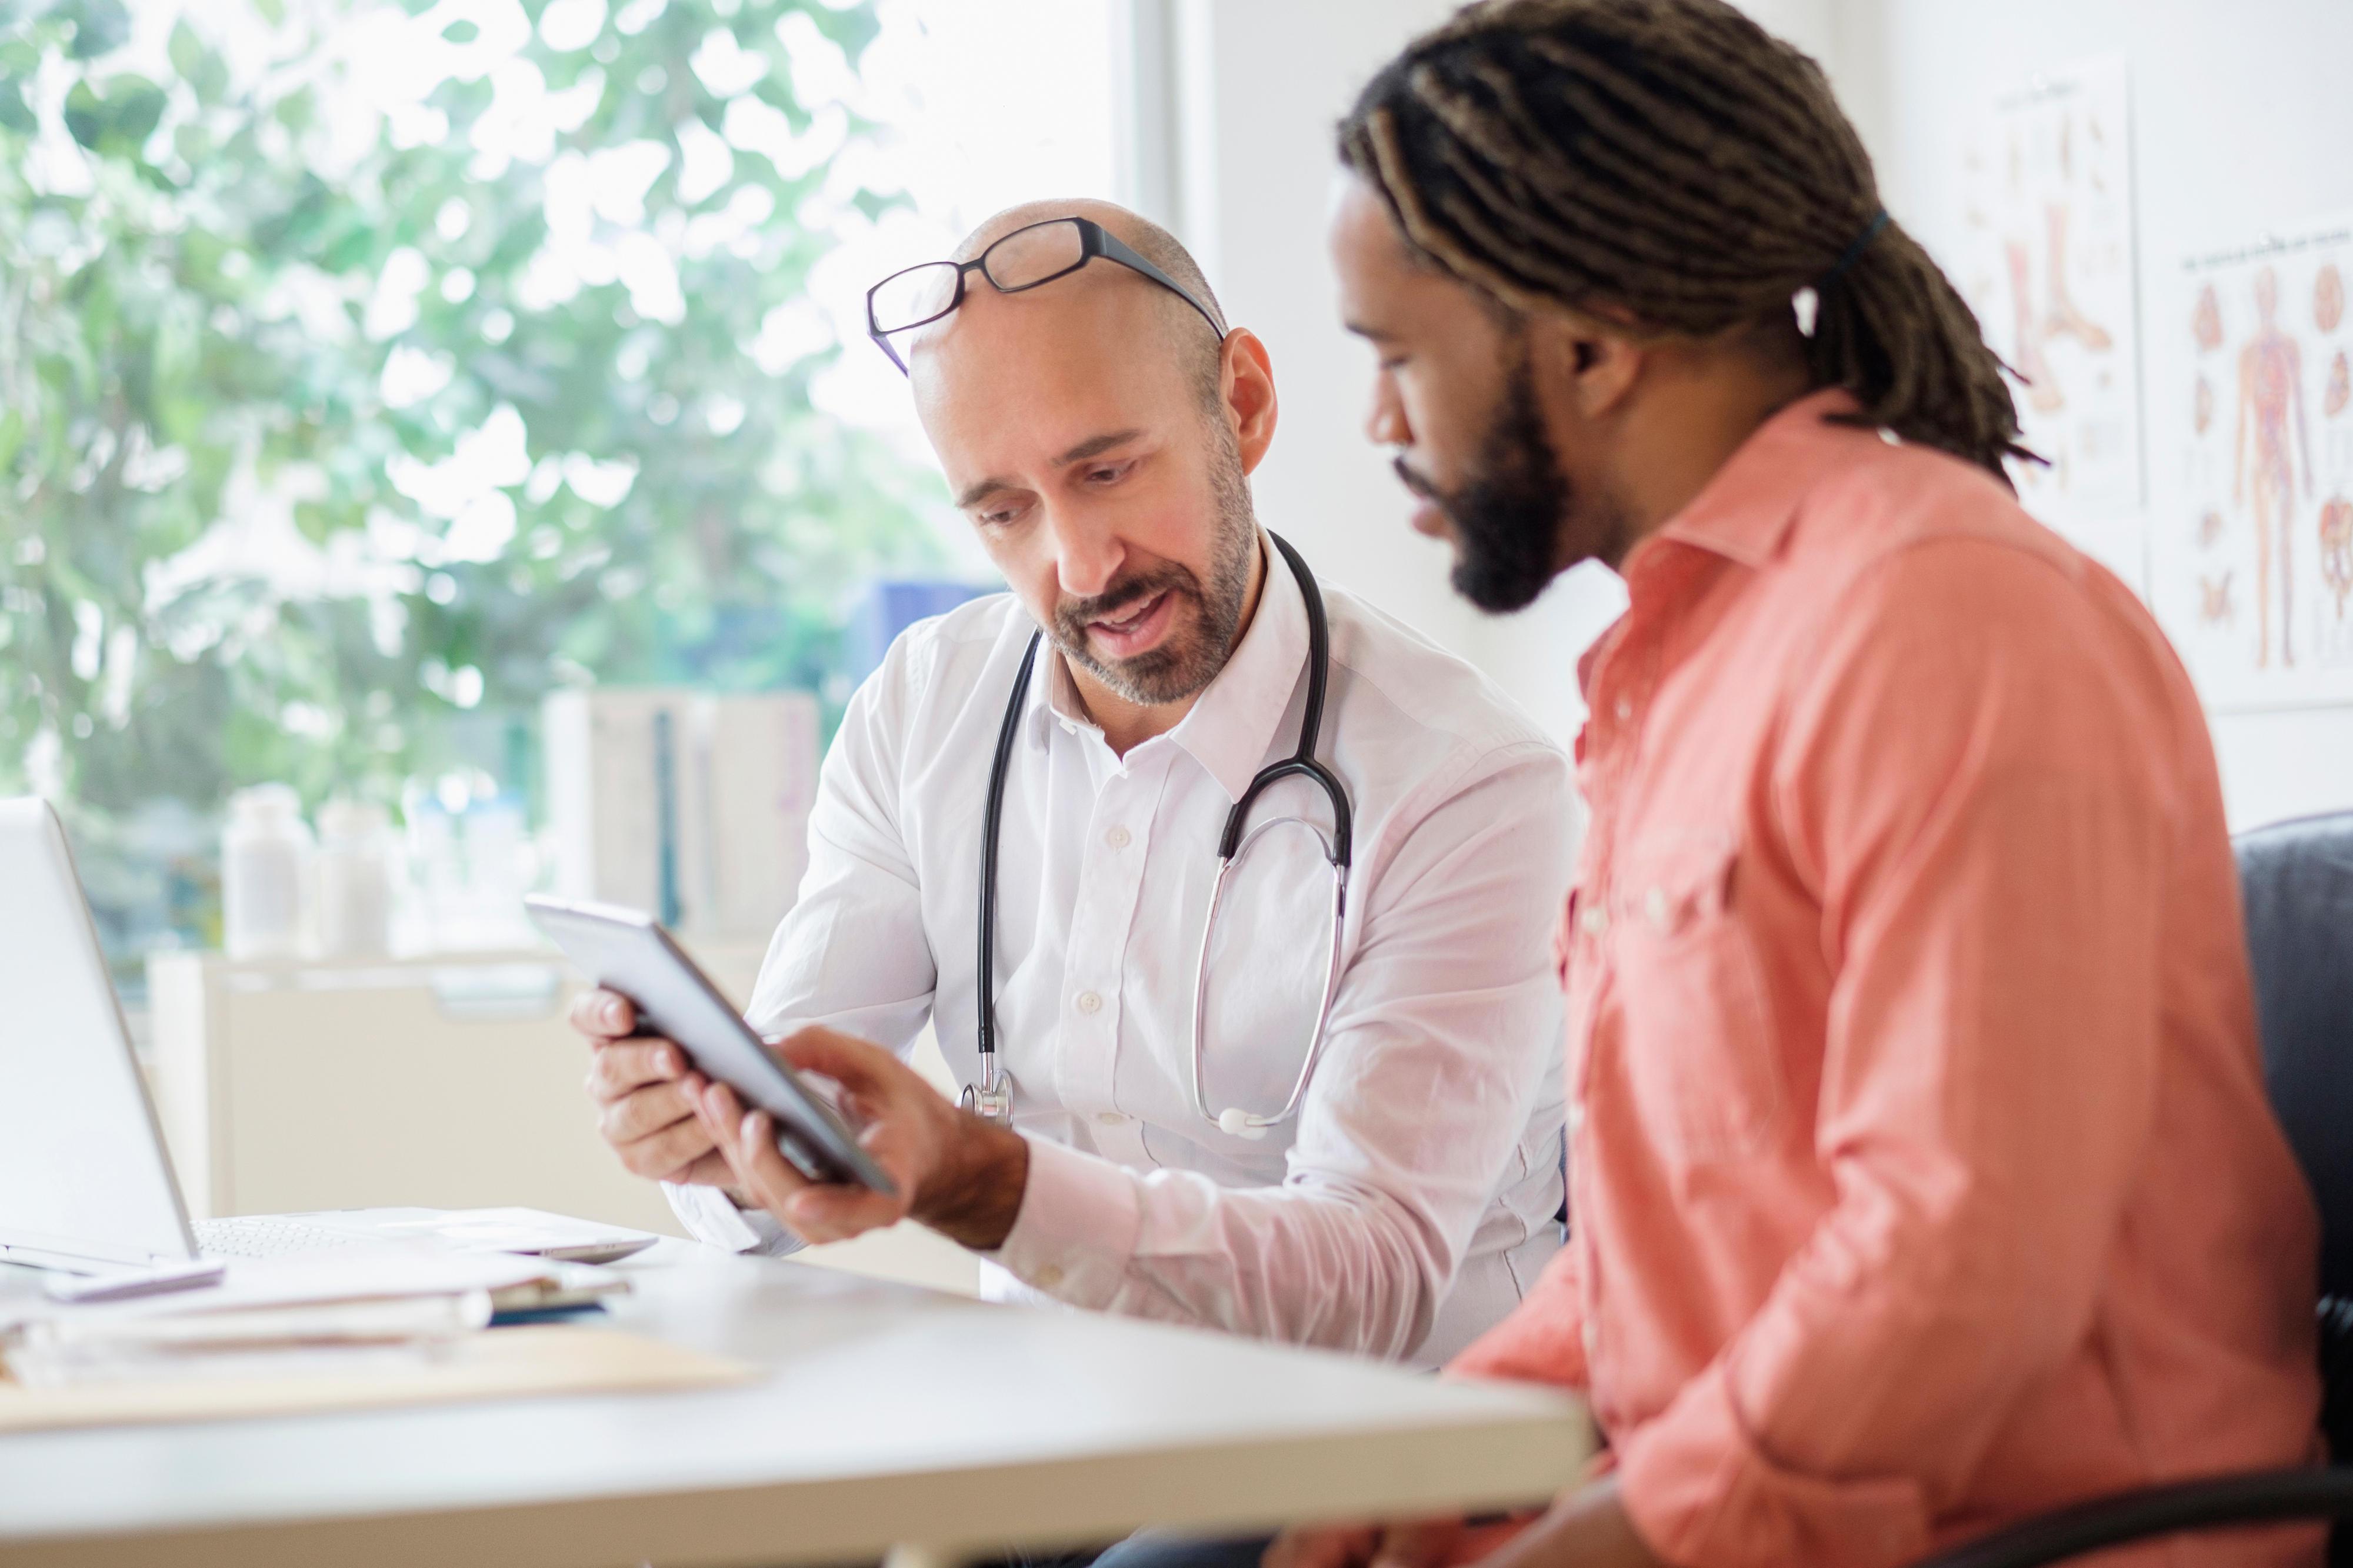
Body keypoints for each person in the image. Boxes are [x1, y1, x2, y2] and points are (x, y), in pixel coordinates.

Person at [1158, 2, 2312, 1566]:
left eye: (1397, 357)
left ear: (1590, 345)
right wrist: (1442, 1452)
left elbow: (1960, 1263)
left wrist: (1621, 1534)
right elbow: (1684, 1245)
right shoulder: (1687, 659)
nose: (1376, 423)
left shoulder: (1947, 626)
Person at [571, 197, 1575, 1367]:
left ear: (1242, 404)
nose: (1081, 565)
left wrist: (976, 1178)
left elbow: (1371, 1279)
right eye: (1004, 511)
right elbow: (795, 1131)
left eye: (1106, 470)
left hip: (1385, 1437)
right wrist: (719, 1136)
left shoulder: (1467, 784)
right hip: (1053, 1419)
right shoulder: (924, 709)